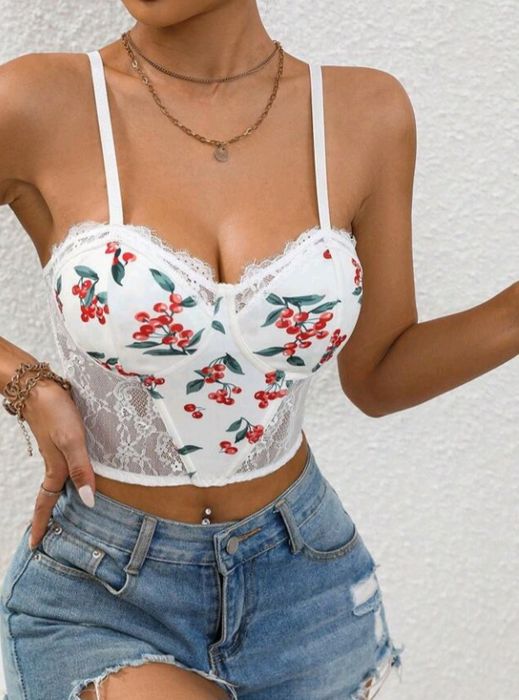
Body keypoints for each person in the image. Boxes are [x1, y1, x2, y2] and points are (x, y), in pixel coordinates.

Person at [0, 1, 517, 698]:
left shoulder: (364, 113)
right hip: (103, 587)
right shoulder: (37, 101)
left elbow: (379, 374)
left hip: (303, 582)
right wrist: (24, 382)